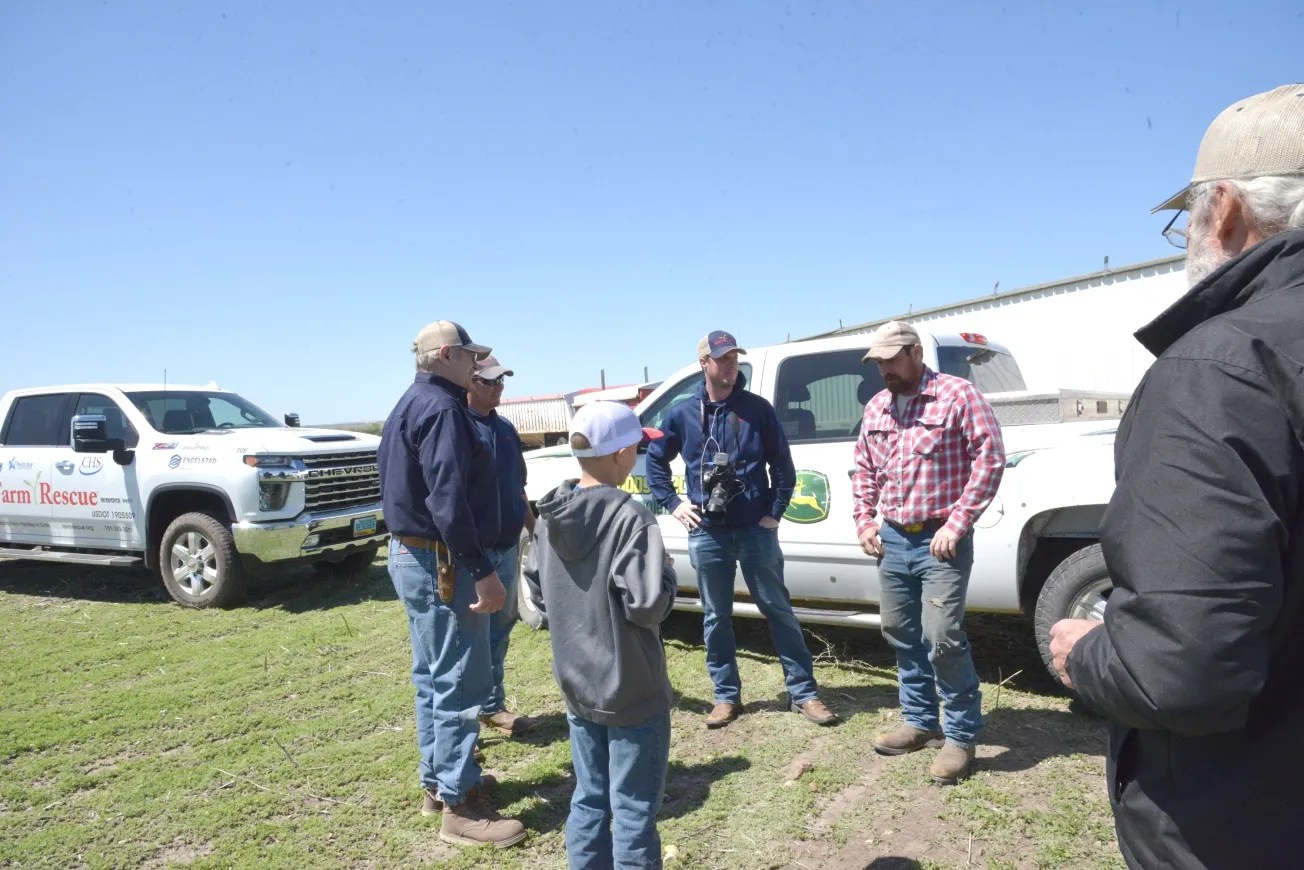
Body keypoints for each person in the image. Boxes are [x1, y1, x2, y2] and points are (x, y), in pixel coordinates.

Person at [1049, 84, 1304, 868]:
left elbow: (1181, 672)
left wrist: (1084, 650)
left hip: (1241, 821)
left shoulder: (1223, 368)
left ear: (1222, 209)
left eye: (1187, 215)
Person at [377, 319, 526, 849]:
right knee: (460, 679)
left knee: (434, 677)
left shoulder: (409, 404)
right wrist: (482, 570)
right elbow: (446, 499)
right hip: (444, 562)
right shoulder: (443, 409)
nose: (477, 364)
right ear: (445, 355)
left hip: (413, 554)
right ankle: (460, 807)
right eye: (469, 355)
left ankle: (438, 785)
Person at [646, 330, 837, 729]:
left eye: (734, 357)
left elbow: (782, 466)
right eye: (722, 358)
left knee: (778, 609)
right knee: (716, 616)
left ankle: (803, 693)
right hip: (707, 532)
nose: (730, 365)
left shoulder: (758, 409)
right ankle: (725, 696)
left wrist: (775, 513)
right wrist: (676, 504)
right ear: (704, 363)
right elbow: (655, 462)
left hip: (755, 529)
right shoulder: (682, 413)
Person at [523, 401, 677, 869]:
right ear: (619, 455)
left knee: (590, 797)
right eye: (636, 448)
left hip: (577, 683)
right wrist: (666, 576)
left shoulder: (549, 516)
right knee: (632, 809)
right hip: (631, 687)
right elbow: (647, 604)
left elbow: (537, 597)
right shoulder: (631, 517)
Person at [851, 320, 1005, 785]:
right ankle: (920, 721)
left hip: (941, 539)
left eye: (891, 359)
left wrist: (958, 522)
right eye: (878, 362)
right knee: (900, 630)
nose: (884, 370)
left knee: (942, 637)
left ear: (916, 352)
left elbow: (990, 458)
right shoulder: (878, 405)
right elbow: (862, 468)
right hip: (893, 539)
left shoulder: (957, 396)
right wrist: (864, 520)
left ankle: (959, 737)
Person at [467, 353, 537, 738]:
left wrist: (535, 529)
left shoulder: (506, 431)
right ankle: (462, 731)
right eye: (489, 381)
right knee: (467, 641)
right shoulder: (457, 429)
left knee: (499, 630)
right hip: (473, 557)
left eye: (501, 381)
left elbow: (518, 489)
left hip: (506, 548)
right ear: (468, 381)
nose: (498, 388)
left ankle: (492, 707)